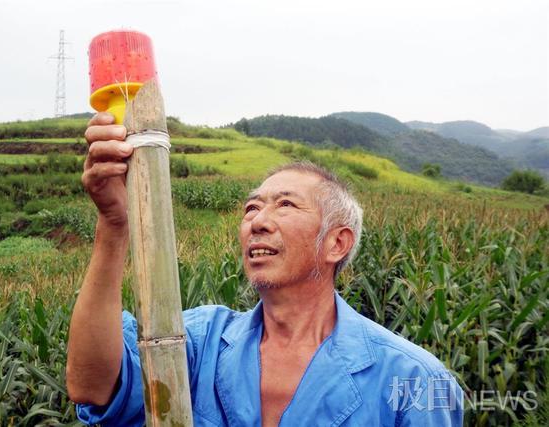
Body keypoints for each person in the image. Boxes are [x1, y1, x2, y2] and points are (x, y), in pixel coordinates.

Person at [66, 112, 464, 426]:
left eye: (286, 205)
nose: (258, 221)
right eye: (252, 208)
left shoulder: (414, 379)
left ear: (336, 243)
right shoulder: (197, 341)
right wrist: (114, 225)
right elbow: (91, 385)